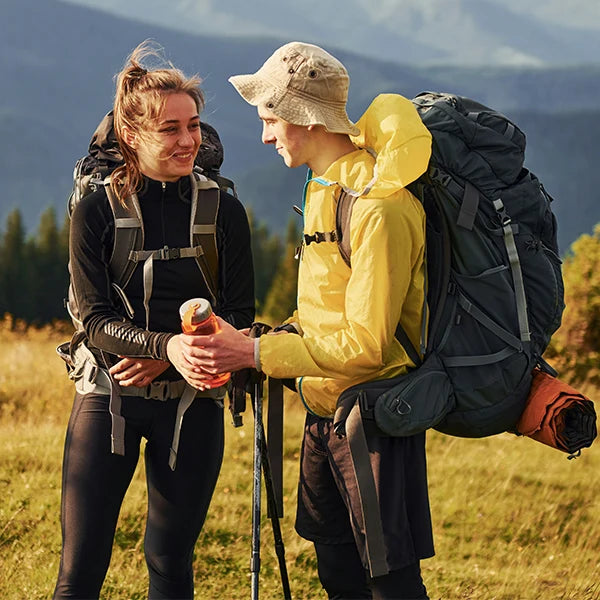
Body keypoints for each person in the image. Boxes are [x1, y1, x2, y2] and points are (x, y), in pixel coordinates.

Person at [181, 41, 435, 599]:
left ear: (304, 116)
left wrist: (254, 355)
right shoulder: (326, 189)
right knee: (339, 576)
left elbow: (367, 344)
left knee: (389, 583)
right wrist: (264, 339)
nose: (265, 135)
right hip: (326, 413)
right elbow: (327, 310)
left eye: (270, 118)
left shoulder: (378, 206)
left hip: (374, 421)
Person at [53, 41, 254, 599]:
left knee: (170, 562)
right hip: (109, 394)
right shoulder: (95, 208)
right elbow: (94, 319)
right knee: (81, 570)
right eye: (170, 129)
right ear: (132, 136)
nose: (188, 140)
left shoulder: (225, 211)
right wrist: (167, 349)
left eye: (193, 125)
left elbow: (240, 313)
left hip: (192, 404)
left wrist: (166, 358)